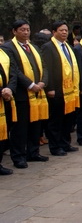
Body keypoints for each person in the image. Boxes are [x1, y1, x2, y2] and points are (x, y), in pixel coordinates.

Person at [1, 20, 49, 169]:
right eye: (22, 30)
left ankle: (33, 152)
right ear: (14, 32)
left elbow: (44, 66)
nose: (26, 32)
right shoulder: (8, 47)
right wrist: (30, 84)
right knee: (20, 128)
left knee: (36, 125)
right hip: (22, 94)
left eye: (28, 29)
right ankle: (19, 156)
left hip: (37, 93)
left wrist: (42, 83)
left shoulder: (33, 47)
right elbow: (14, 71)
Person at [42, 21, 80, 156]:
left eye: (66, 30)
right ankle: (55, 146)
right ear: (54, 32)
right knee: (56, 120)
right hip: (56, 90)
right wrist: (50, 88)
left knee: (68, 119)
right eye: (61, 30)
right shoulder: (48, 47)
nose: (64, 32)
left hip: (69, 90)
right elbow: (47, 69)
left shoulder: (68, 46)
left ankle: (65, 143)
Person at [0, 47, 16, 175]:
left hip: (6, 97)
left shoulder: (4, 54)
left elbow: (13, 73)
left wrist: (9, 88)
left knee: (4, 131)